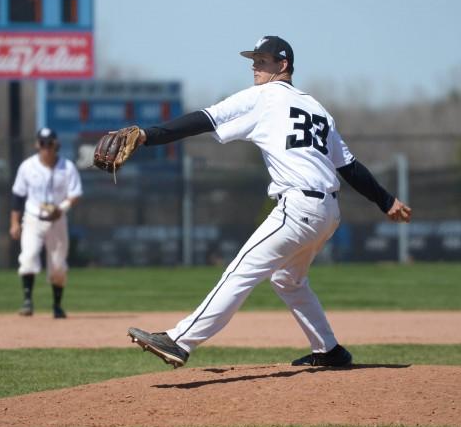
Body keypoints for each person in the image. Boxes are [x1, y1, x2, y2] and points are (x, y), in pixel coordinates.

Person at [127, 35, 411, 367]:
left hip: (299, 207)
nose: (254, 67)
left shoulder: (264, 97)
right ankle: (329, 350)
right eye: (254, 60)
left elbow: (205, 119)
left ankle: (179, 340)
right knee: (287, 279)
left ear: (283, 65)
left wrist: (148, 135)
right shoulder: (316, 107)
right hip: (328, 211)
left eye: (262, 61)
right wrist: (386, 200)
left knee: (241, 270)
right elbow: (348, 166)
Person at [9, 127, 83, 318]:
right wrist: (15, 223)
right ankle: (27, 301)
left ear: (55, 144)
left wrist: (62, 209)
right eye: (43, 144)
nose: (46, 148)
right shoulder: (27, 167)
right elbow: (18, 196)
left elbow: (75, 194)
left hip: (57, 220)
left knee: (58, 265)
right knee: (28, 257)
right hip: (33, 217)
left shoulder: (67, 167)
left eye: (49, 144)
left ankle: (57, 305)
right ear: (37, 145)